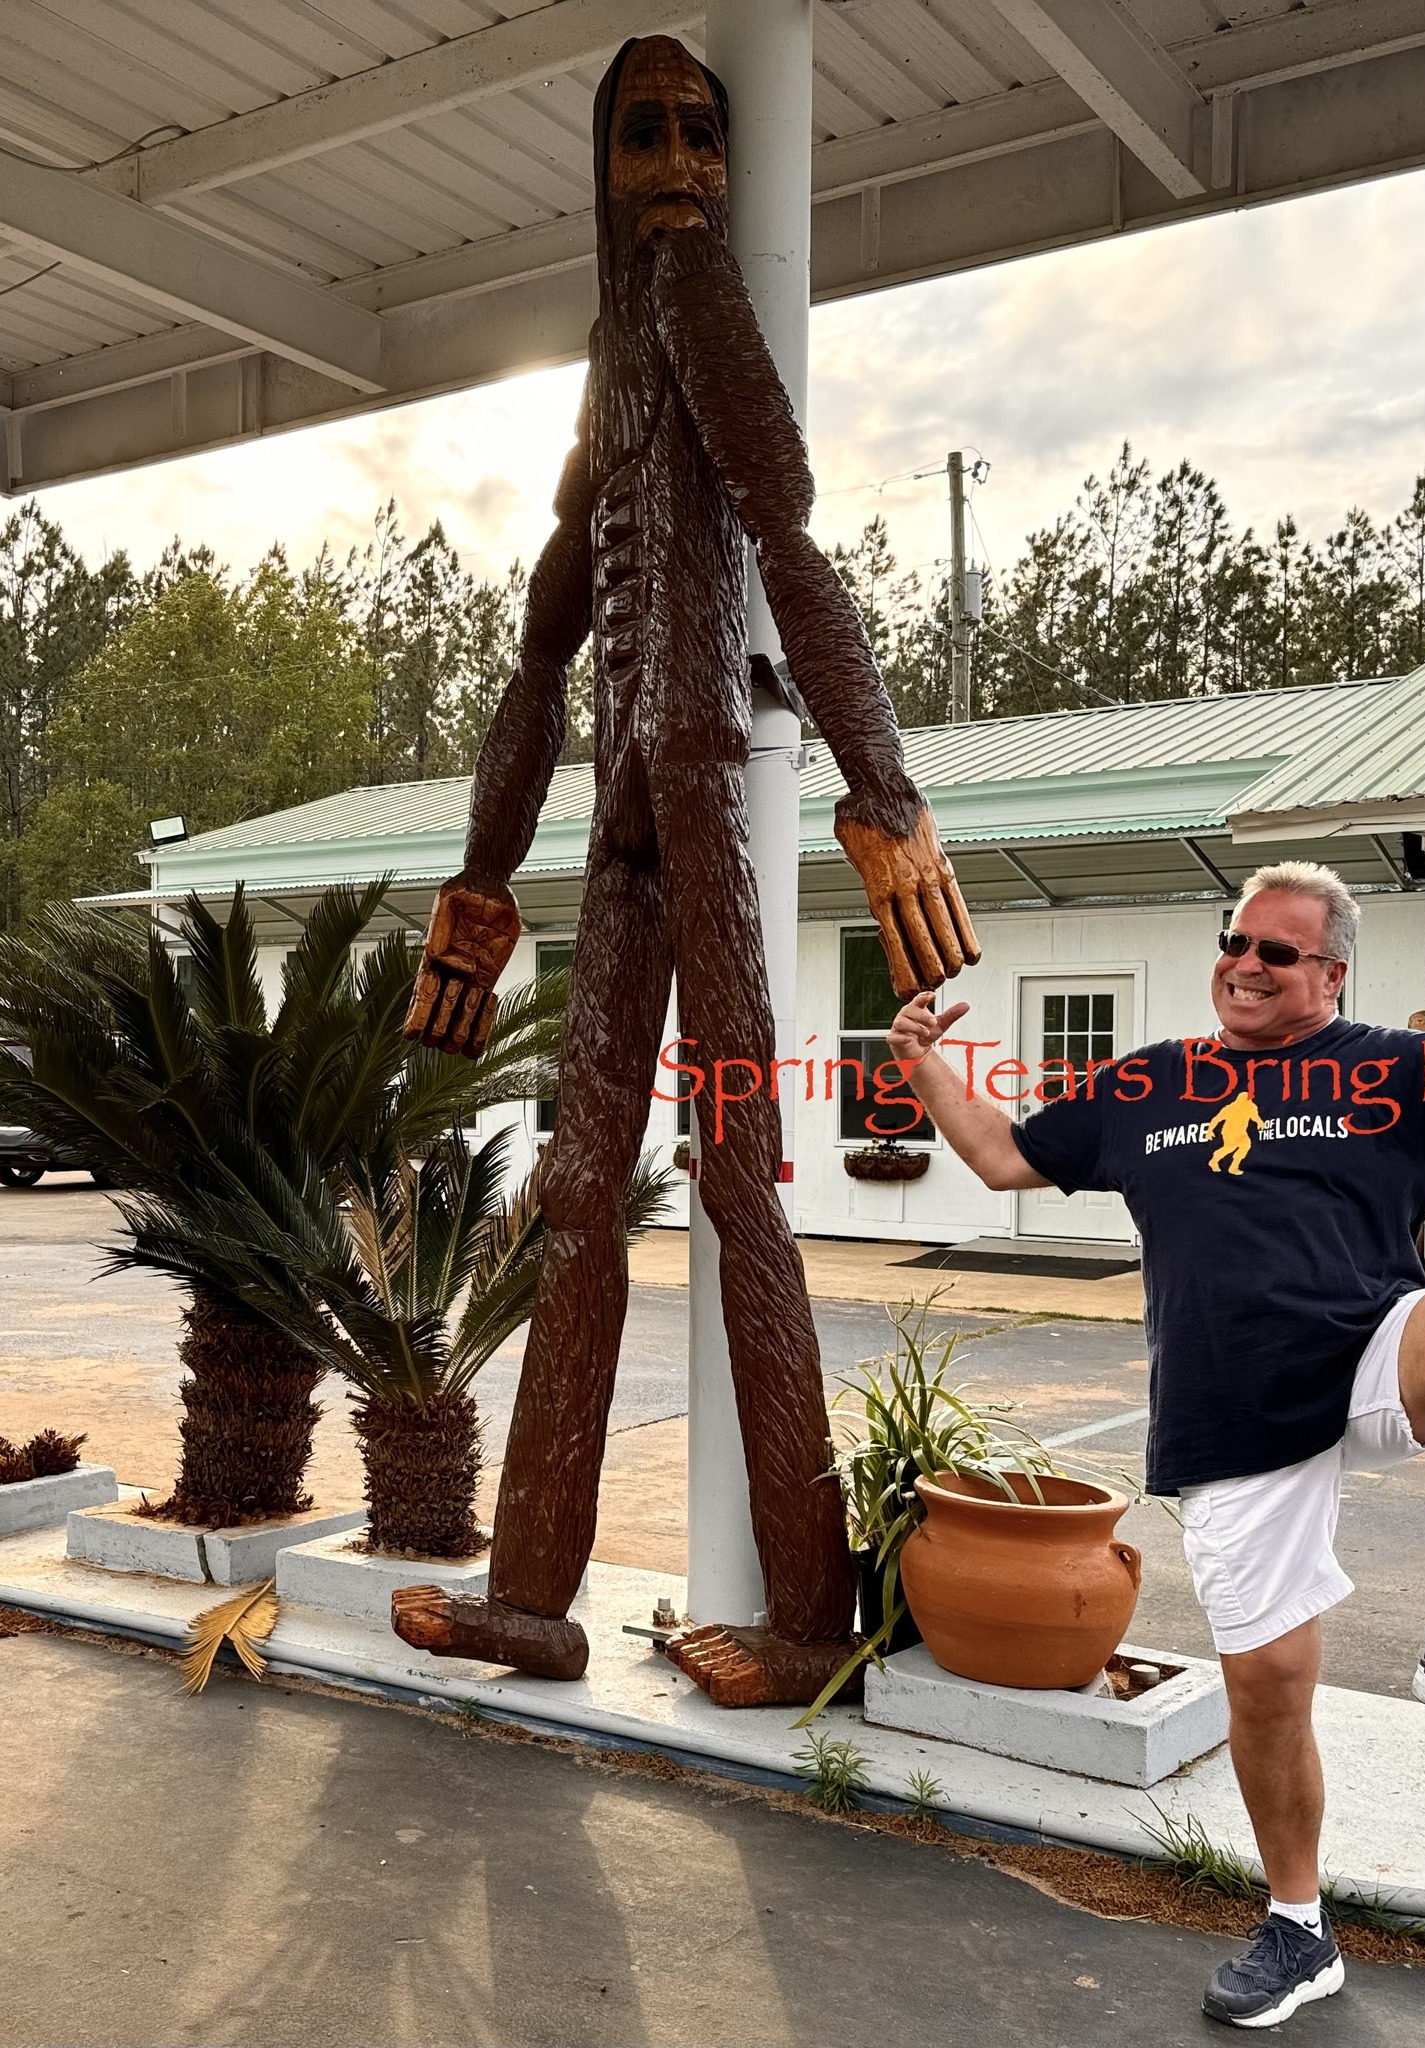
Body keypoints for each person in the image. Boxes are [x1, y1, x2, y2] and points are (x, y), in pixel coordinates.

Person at [389, 34, 977, 1705]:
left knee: (737, 1177)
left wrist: (885, 788)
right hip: (625, 822)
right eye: (645, 134)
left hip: (708, 795)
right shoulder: (613, 355)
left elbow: (786, 529)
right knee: (578, 1196)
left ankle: (809, 1615)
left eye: (702, 133)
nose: (679, 163)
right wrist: (481, 883)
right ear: (600, 162)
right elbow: (539, 646)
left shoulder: (699, 298)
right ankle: (530, 1596)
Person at [886, 859, 1425, 2030]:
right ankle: (1296, 1924)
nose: (1244, 962)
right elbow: (1005, 1156)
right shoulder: (1147, 1083)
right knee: (1267, 1687)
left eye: (1276, 949)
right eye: (1233, 940)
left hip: (1370, 1352)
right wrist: (924, 1062)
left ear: (1330, 972)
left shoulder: (1398, 1068)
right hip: (1228, 1407)